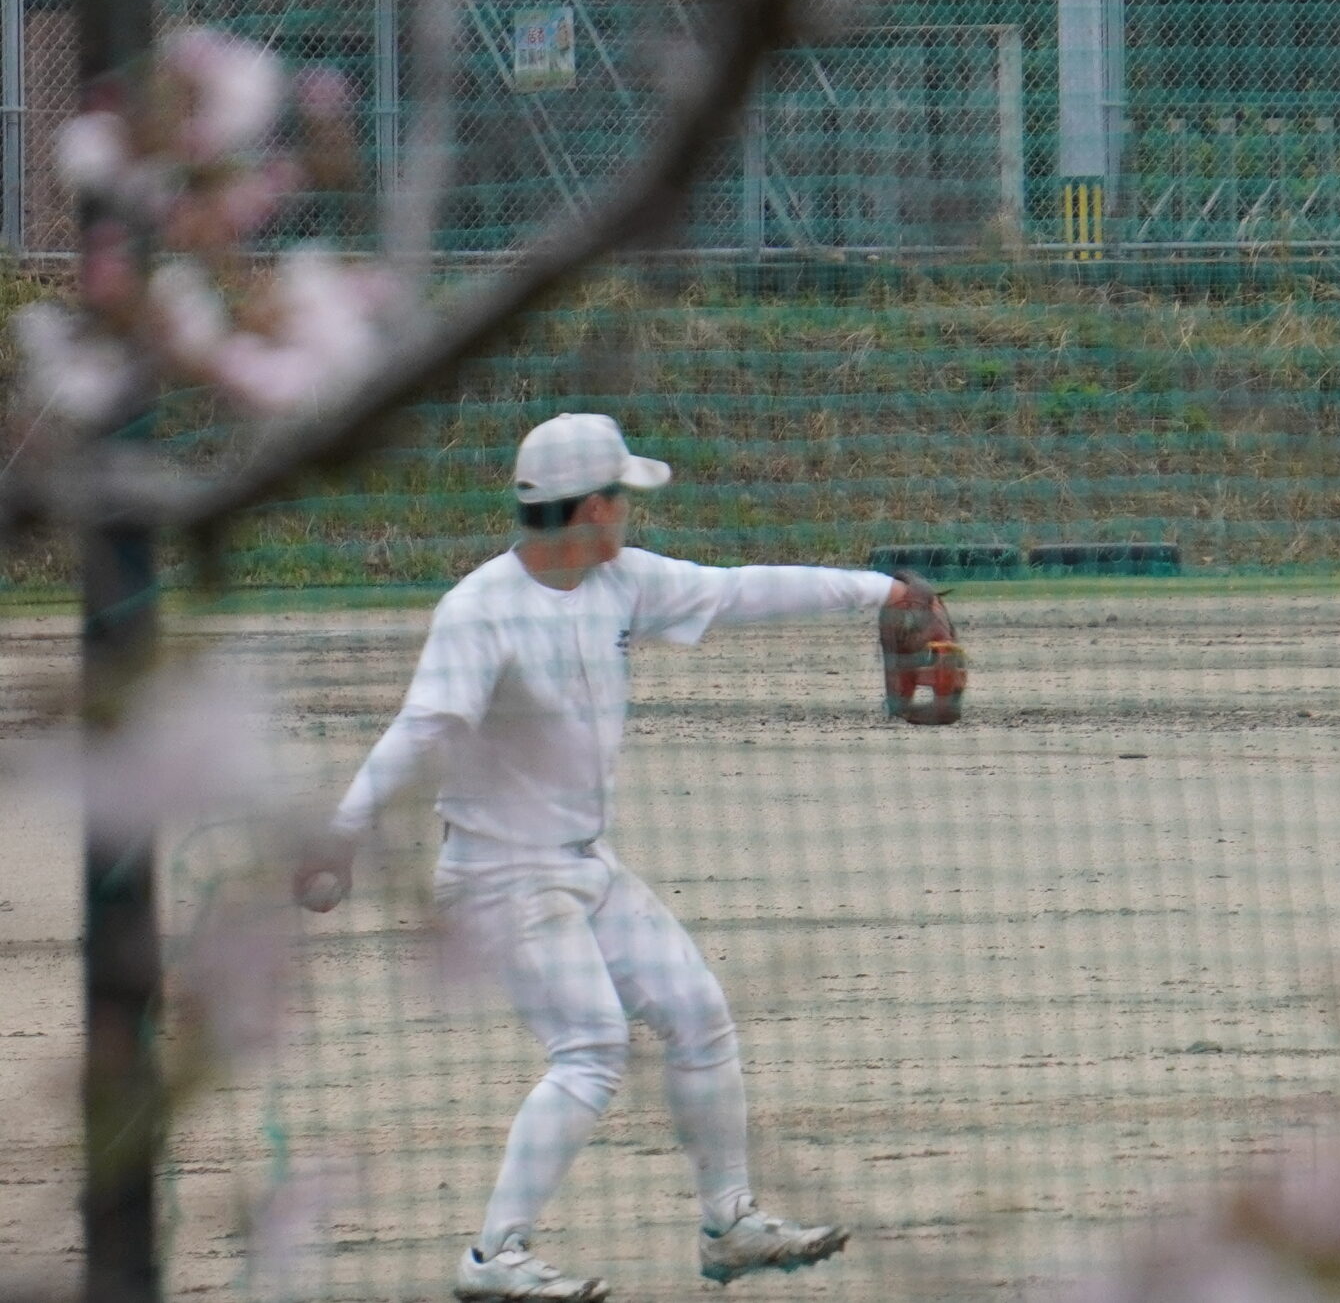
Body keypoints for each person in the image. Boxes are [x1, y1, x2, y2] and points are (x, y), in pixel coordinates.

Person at [296, 413, 923, 1301]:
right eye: (622, 497)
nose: (629, 511)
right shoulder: (479, 609)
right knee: (591, 1046)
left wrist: (881, 591)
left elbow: (741, 590)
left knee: (699, 1015)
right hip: (499, 876)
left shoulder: (619, 580)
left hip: (586, 865)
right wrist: (343, 831)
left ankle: (729, 1222)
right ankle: (492, 1257)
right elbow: (424, 728)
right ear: (593, 507)